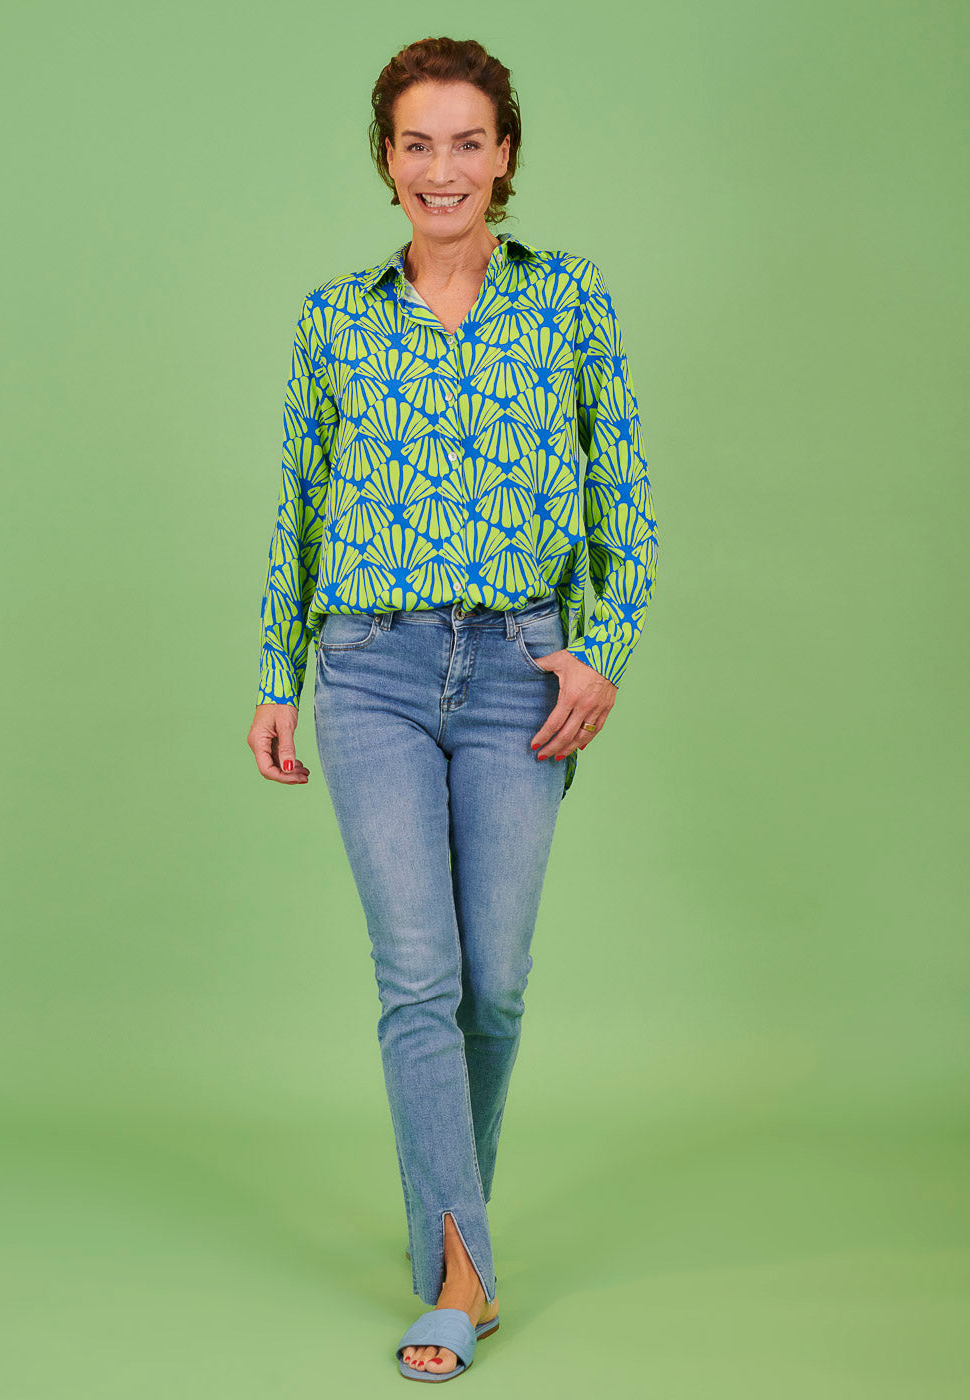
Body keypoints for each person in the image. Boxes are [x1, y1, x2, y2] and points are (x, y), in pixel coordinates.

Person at [246, 35, 658, 1382]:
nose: (442, 169)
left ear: (505, 155)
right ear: (387, 159)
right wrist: (277, 679)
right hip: (368, 669)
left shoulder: (570, 301)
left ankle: (446, 1230)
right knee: (417, 973)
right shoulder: (334, 321)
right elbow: (299, 505)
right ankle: (461, 1278)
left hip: (521, 674)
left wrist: (600, 653)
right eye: (416, 143)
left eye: (466, 142)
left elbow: (626, 500)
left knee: (497, 986)